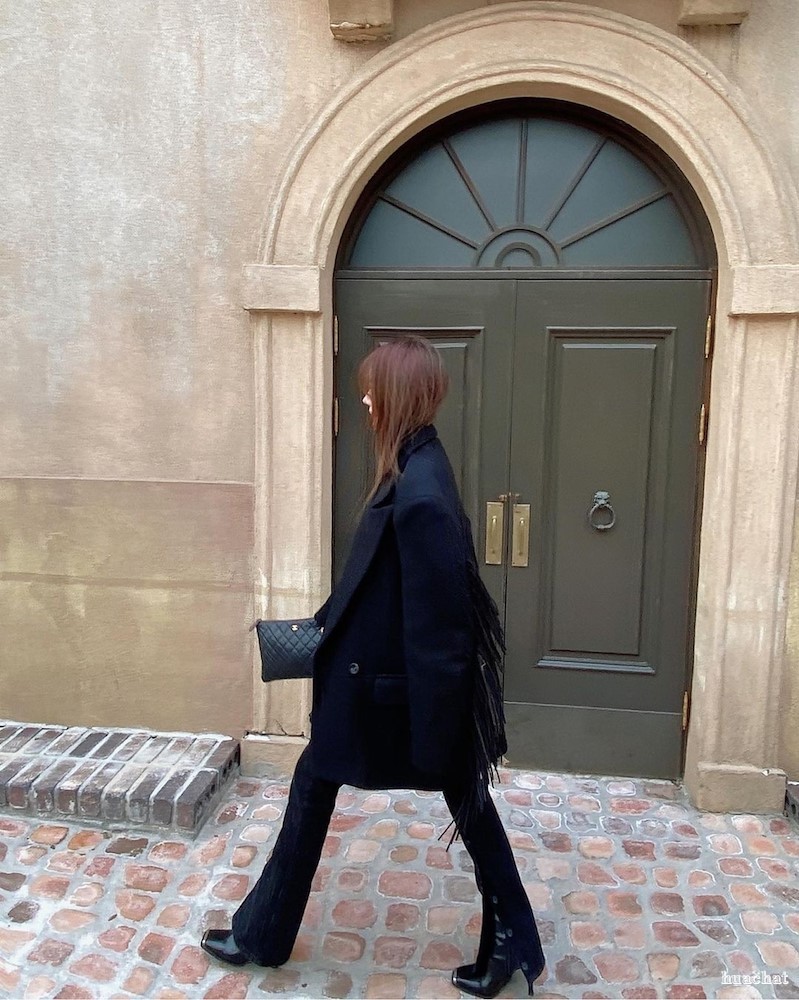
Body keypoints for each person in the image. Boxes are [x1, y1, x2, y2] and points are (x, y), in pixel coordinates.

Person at [201, 335, 547, 998]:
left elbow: (441, 625)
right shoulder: (414, 466)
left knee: (450, 797)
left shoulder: (420, 492)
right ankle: (265, 933)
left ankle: (265, 936)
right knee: (336, 789)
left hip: (390, 694)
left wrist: (439, 730)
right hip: (371, 683)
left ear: (395, 397)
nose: (362, 400)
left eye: (370, 390)